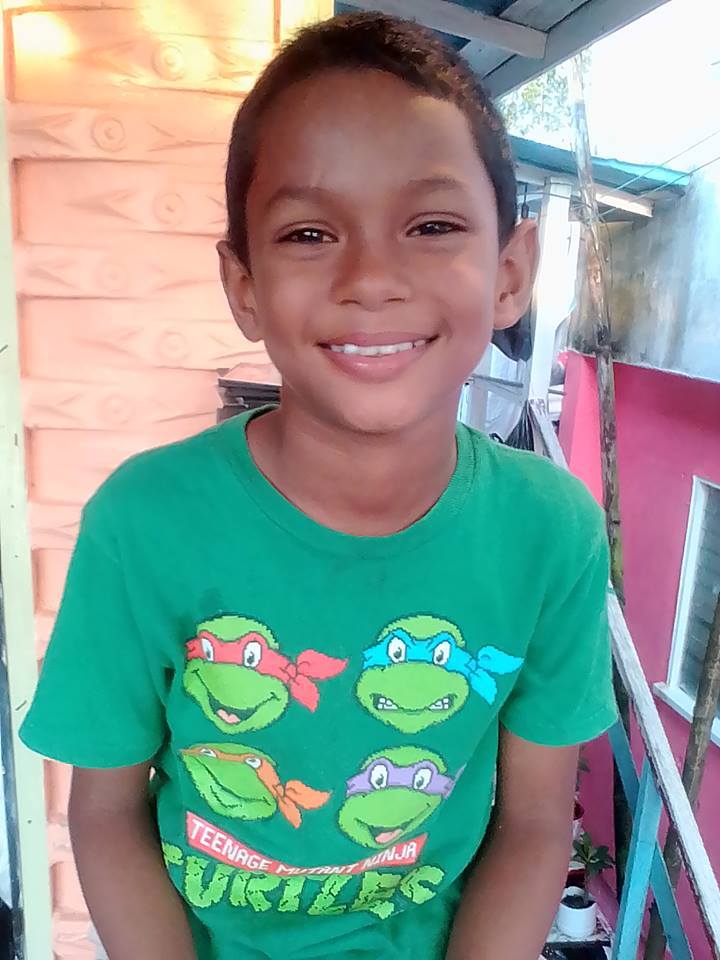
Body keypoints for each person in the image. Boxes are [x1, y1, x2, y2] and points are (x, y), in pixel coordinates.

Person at [20, 12, 617, 960]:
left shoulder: (551, 532)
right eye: (308, 232)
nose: (371, 278)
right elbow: (105, 811)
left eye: (431, 226)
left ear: (510, 273)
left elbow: (538, 821)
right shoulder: (145, 522)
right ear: (244, 286)